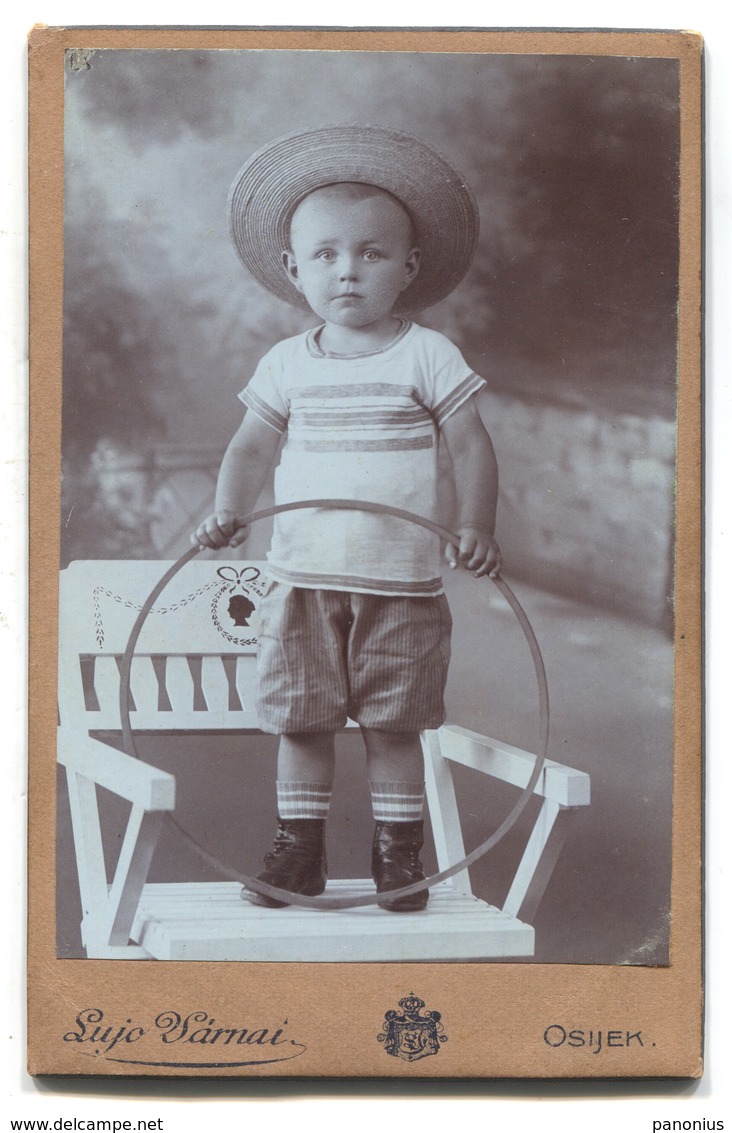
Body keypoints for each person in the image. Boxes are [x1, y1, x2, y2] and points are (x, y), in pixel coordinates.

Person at [192, 125, 501, 913]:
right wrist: (228, 511)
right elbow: (249, 446)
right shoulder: (287, 365)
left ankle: (400, 858)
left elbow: (470, 444)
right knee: (303, 721)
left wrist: (476, 525)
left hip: (403, 582)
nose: (349, 272)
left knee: (395, 726)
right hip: (303, 579)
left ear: (409, 268)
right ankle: (300, 854)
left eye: (370, 254)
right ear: (295, 272)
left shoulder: (426, 354)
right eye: (326, 256)